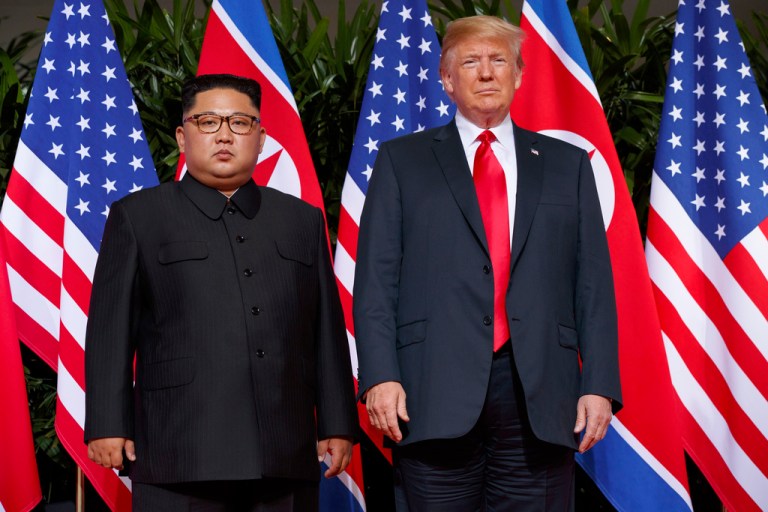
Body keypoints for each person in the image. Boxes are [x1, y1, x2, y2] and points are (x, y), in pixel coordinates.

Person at [354, 15, 622, 511]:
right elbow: (375, 281)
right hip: (428, 389)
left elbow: (593, 287)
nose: (485, 72)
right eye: (470, 61)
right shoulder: (401, 161)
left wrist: (600, 385)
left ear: (519, 74)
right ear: (446, 79)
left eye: (499, 60)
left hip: (540, 393)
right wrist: (380, 376)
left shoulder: (568, 165)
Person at [84, 73, 357, 511]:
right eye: (208, 121)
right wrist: (106, 423)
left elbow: (325, 328)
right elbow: (109, 331)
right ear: (182, 135)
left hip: (283, 447)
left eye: (240, 123)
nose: (225, 135)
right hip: (180, 447)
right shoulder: (139, 216)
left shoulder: (301, 220)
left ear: (262, 137)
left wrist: (339, 422)